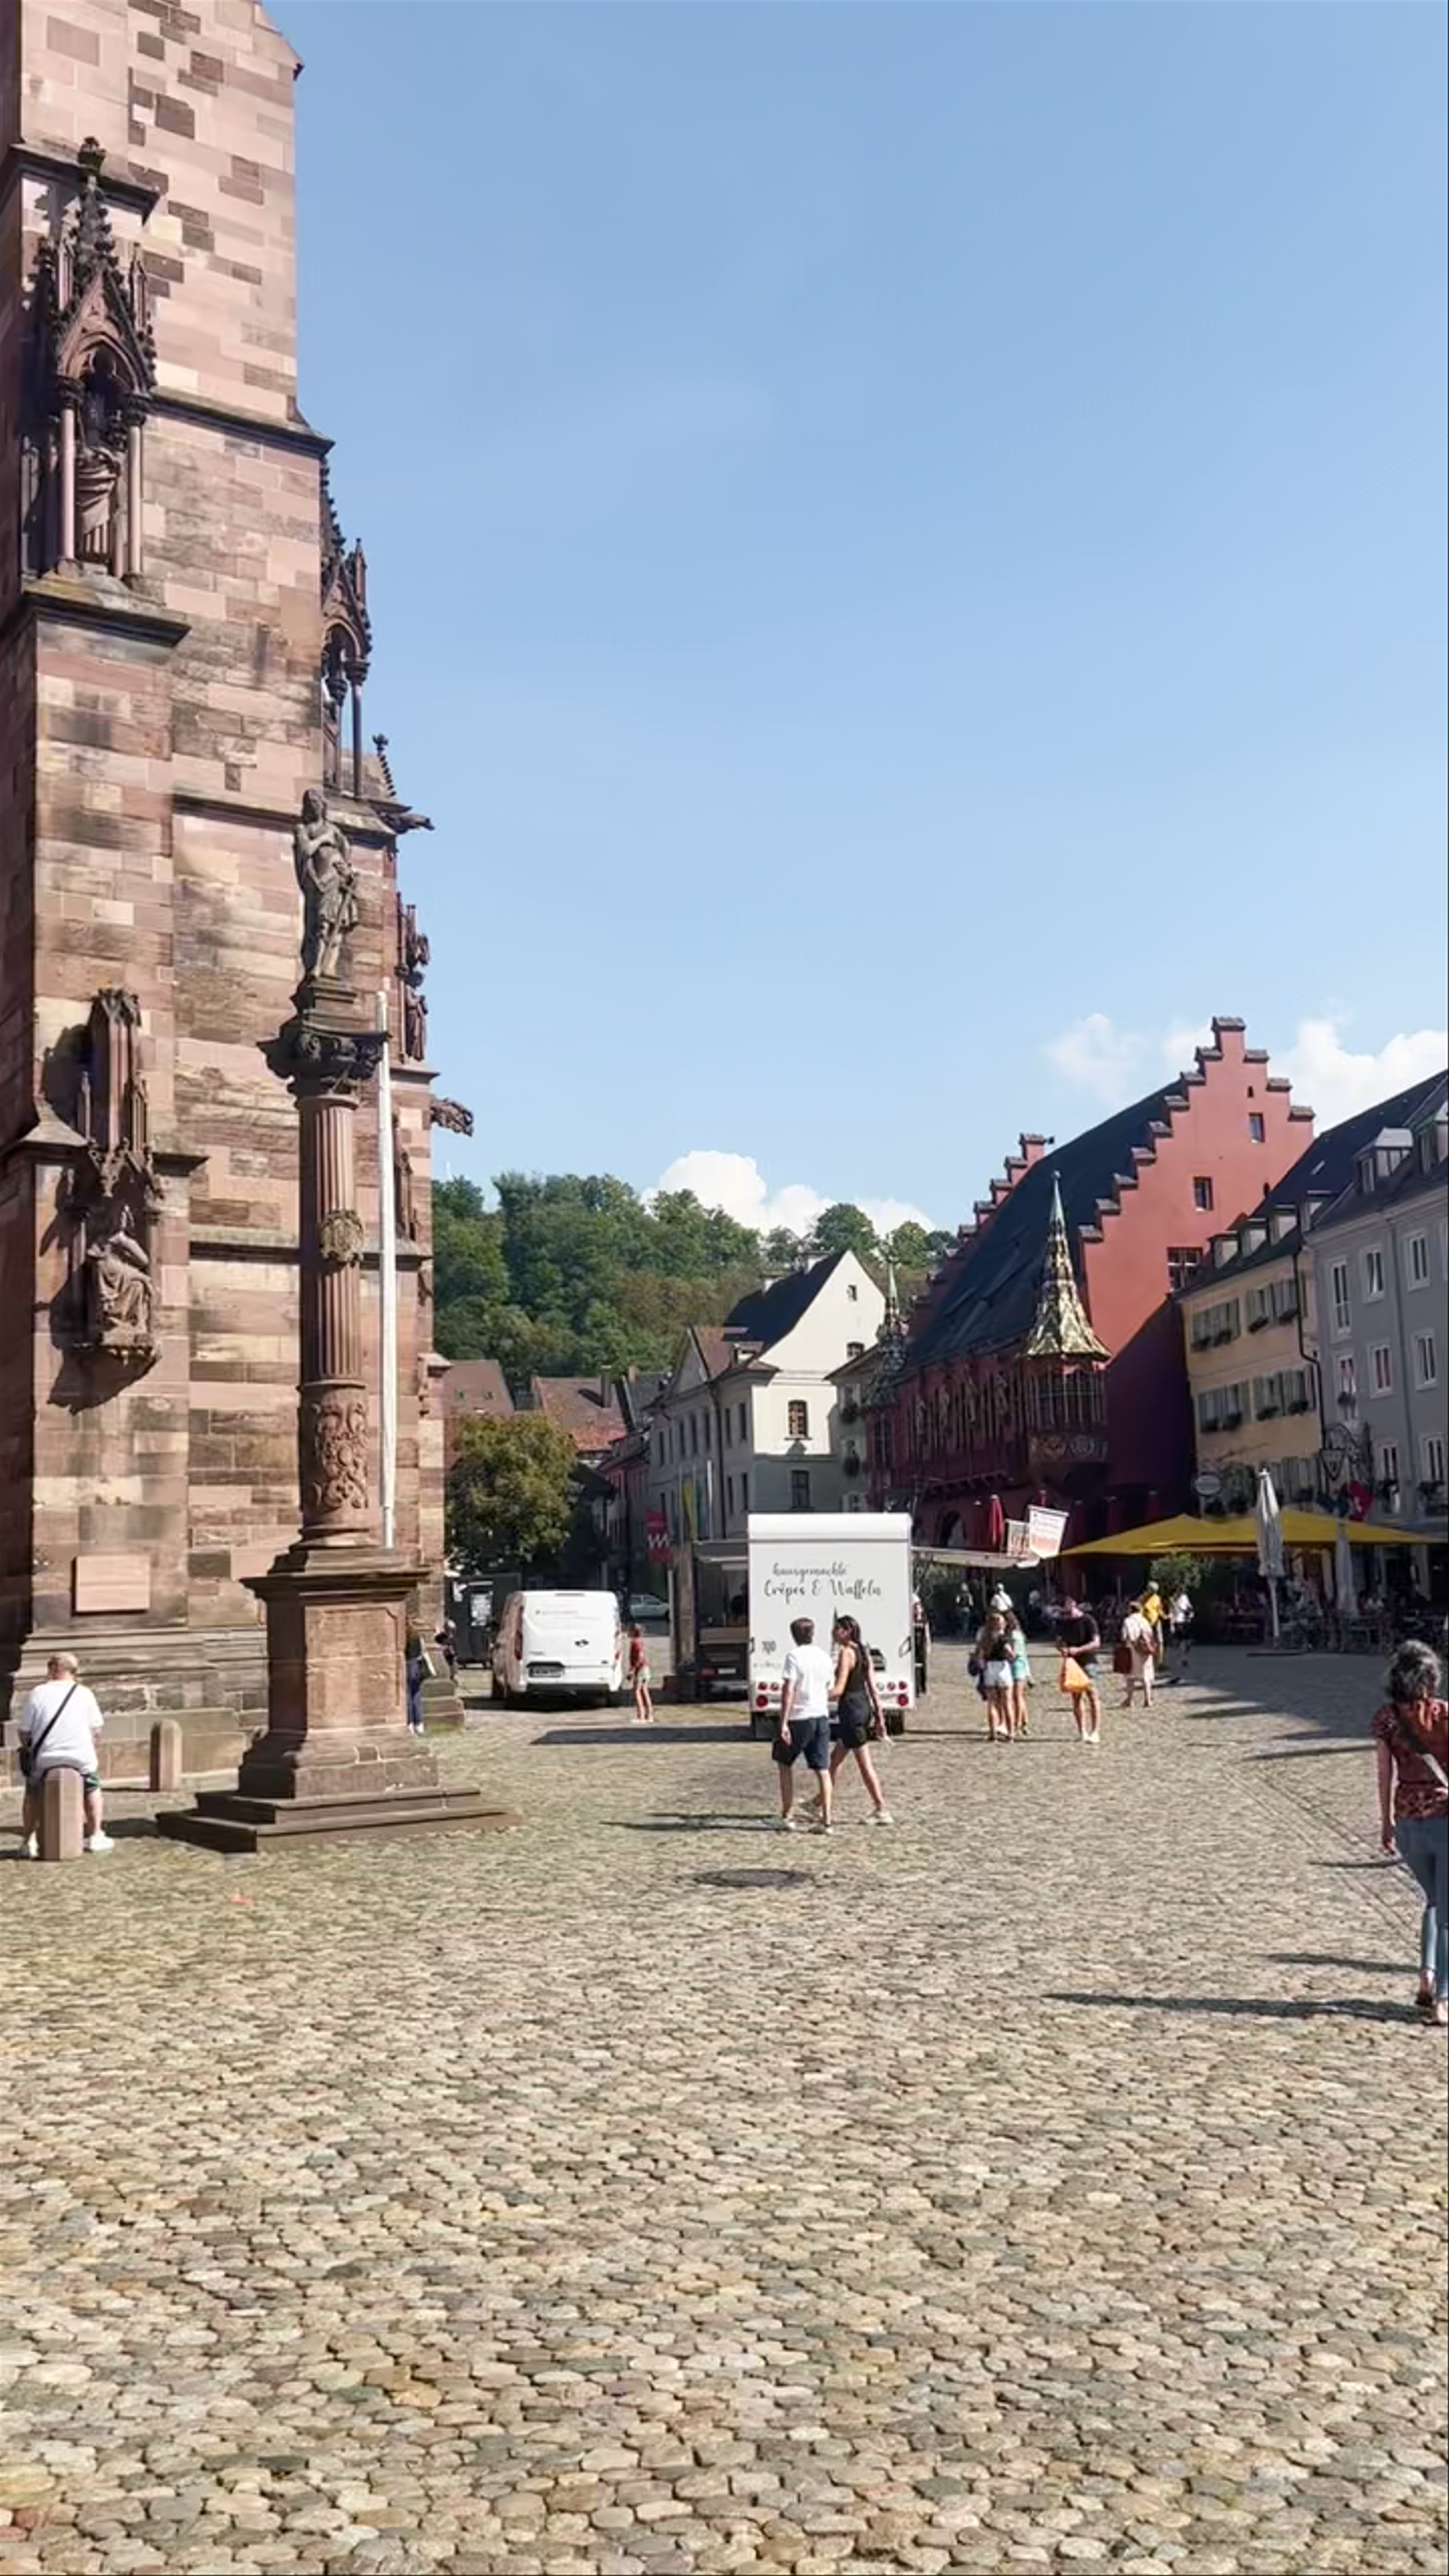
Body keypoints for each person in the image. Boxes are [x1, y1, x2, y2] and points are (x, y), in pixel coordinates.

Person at [1373, 1640, 1448, 2026]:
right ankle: (1444, 1998)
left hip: (1407, 1822)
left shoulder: (1386, 1719)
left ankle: (1426, 1976)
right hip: (1444, 1818)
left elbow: (1384, 1775)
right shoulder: (1444, 1714)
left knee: (1435, 1901)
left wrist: (1387, 1822)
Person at [17, 1652, 112, 1856]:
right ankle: (96, 1835)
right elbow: (96, 1731)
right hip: (80, 1757)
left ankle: (29, 1841)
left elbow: (25, 1732)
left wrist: (31, 1747)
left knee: (32, 1792)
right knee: (92, 1788)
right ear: (74, 1672)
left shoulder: (38, 1693)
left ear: (52, 1669)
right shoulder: (85, 1694)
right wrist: (89, 1747)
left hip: (46, 1757)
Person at [825, 1615, 893, 1823]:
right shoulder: (864, 1652)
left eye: (837, 1629)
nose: (834, 1633)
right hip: (863, 1708)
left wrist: (815, 1696)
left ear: (847, 1632)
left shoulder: (846, 1653)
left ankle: (881, 1808)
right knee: (835, 1760)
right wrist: (880, 1717)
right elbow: (872, 1688)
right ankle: (819, 1802)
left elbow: (839, 1689)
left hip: (851, 1711)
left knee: (865, 1765)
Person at [772, 1616, 835, 1832]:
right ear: (813, 1634)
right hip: (821, 1716)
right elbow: (829, 1686)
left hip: (799, 1717)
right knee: (823, 1770)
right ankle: (827, 1820)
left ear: (794, 1636)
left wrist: (783, 1722)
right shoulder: (825, 1657)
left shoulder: (794, 1657)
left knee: (785, 1764)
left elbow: (789, 1690)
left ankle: (787, 1815)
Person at [1056, 1595, 1102, 1745]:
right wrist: (1062, 1649)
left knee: (1092, 1695)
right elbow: (1059, 1641)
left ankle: (1095, 1732)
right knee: (1076, 1697)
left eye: (1067, 1605)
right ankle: (1082, 1731)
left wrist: (1078, 1650)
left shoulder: (1088, 1621)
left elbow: (1096, 1643)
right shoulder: (1063, 1622)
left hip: (1088, 1662)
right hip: (1072, 1664)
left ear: (1074, 1604)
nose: (1066, 1610)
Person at [975, 1609, 1015, 1743]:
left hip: (990, 1669)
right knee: (1007, 1703)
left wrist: (983, 1667)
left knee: (992, 1703)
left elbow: (980, 1658)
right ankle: (1011, 1734)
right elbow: (1010, 1654)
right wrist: (1012, 1657)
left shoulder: (985, 1639)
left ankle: (993, 1733)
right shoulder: (1004, 1639)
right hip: (1003, 1668)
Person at [1119, 1598, 1156, 1710]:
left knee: (1131, 1676)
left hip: (1132, 1650)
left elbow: (1124, 1636)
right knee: (1146, 1675)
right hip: (1145, 1650)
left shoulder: (1128, 1621)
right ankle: (1148, 1700)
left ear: (1131, 1610)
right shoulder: (1145, 1620)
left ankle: (1130, 1700)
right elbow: (1151, 1634)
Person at [1005, 1611, 1032, 1738]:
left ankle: (1016, 1725)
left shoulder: (1013, 1636)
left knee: (1016, 1697)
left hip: (1015, 1666)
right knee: (1019, 1697)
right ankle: (1024, 1723)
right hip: (1020, 1666)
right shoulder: (1019, 1634)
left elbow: (1014, 1655)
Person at [404, 1624, 432, 1734]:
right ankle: (419, 1723)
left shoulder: (402, 1637)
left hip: (406, 1664)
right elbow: (422, 1652)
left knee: (407, 1695)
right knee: (416, 1695)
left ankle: (410, 1723)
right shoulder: (417, 1636)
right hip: (415, 1664)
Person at [627, 1622, 654, 1726]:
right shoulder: (640, 1642)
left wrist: (633, 1670)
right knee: (645, 1690)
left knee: (637, 1691)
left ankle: (641, 1716)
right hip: (645, 1668)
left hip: (641, 1669)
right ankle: (650, 1716)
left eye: (630, 1630)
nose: (628, 1632)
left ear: (633, 1632)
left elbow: (639, 1657)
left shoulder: (635, 1643)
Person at [1167, 1584, 1194, 1679]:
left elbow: (1190, 1607)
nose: (1181, 1593)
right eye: (1179, 1591)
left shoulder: (1185, 1597)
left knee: (1188, 1641)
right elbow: (1171, 1613)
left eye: (1182, 1591)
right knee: (1181, 1642)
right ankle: (1182, 1659)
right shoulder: (1172, 1599)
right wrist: (1171, 1625)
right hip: (1177, 1622)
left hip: (1185, 1621)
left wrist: (1191, 1614)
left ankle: (1184, 1657)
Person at [1140, 1581, 1164, 1664]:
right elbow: (1139, 1609)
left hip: (1157, 1622)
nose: (1154, 1593)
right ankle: (1149, 1661)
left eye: (1155, 1591)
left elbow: (1160, 1610)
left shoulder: (1157, 1598)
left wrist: (1165, 1616)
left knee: (1160, 1642)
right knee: (1148, 1642)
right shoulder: (1143, 1598)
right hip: (1147, 1623)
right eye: (1152, 1591)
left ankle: (1160, 1662)